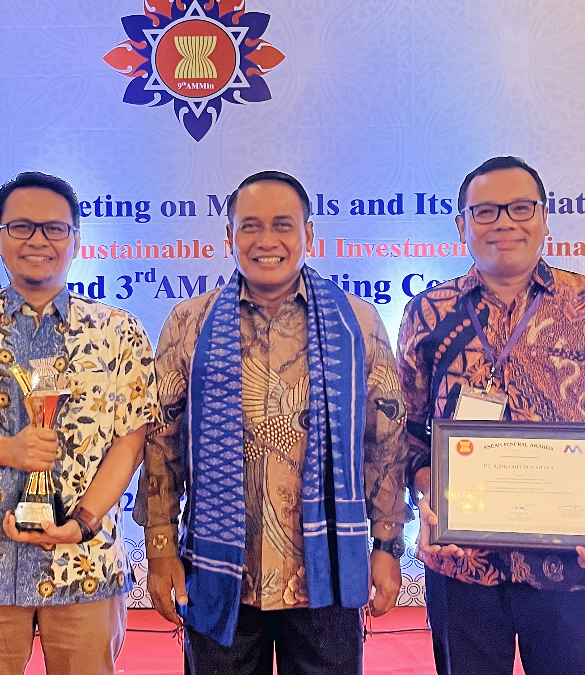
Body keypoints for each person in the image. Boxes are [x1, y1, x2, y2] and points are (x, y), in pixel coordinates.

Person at [396, 156, 585, 675]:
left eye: (520, 208)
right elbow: (403, 432)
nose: (504, 222)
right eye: (486, 211)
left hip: (575, 562)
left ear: (544, 218)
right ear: (461, 225)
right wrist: (427, 493)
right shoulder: (428, 313)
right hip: (461, 563)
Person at [135, 170, 411, 675]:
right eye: (250, 226)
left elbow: (385, 442)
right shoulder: (189, 323)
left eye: (283, 225)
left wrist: (388, 545)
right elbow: (162, 443)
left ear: (309, 234)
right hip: (220, 574)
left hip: (327, 572)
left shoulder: (358, 322)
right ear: (229, 236)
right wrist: (160, 548)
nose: (267, 241)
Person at [0, 171, 158, 675]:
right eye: (21, 227)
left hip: (85, 564)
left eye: (54, 228)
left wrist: (82, 522)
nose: (38, 240)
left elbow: (130, 442)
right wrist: (8, 451)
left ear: (76, 241)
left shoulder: (117, 331)